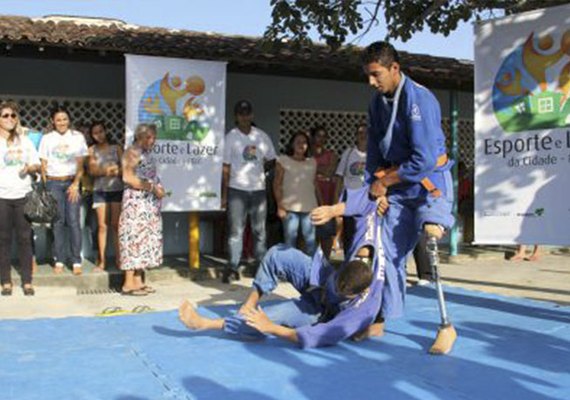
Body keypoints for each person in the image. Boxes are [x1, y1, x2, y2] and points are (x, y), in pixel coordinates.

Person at [179, 185, 385, 348]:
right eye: (338, 284)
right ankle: (250, 301)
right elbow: (367, 199)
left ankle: (207, 324)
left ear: (361, 292)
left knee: (266, 319)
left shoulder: (361, 309)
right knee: (279, 253)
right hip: (324, 277)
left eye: (342, 291)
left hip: (326, 311)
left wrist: (272, 328)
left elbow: (320, 338)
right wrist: (332, 210)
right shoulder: (367, 235)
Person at [360, 41, 456, 354]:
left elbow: (424, 159)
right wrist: (376, 185)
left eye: (376, 75)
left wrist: (387, 180)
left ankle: (446, 325)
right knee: (386, 252)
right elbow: (374, 149)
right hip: (398, 187)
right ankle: (383, 313)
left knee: (430, 236)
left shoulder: (419, 99)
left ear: (394, 69)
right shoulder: (377, 103)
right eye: (368, 76)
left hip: (431, 183)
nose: (371, 82)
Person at [221, 100, 276, 283]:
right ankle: (232, 267)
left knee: (259, 230)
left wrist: (261, 171)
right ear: (236, 116)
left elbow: (272, 159)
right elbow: (226, 168)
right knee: (236, 230)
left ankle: (260, 266)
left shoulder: (261, 136)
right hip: (237, 189)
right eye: (241, 113)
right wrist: (224, 194)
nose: (244, 116)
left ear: (252, 115)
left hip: (258, 190)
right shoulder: (231, 137)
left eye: (247, 113)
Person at [39, 106, 88, 275]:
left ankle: (75, 260)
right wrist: (46, 187)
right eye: (58, 119)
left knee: (73, 221)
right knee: (58, 222)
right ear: (53, 121)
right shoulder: (47, 138)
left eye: (65, 119)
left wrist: (75, 184)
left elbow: (81, 164)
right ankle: (59, 259)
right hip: (53, 183)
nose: (62, 123)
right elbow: (43, 166)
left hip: (71, 183)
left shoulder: (77, 137)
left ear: (69, 120)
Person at [118, 123, 164, 296]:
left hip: (148, 203)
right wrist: (152, 188)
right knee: (133, 238)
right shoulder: (132, 152)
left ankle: (138, 280)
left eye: (153, 137)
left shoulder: (147, 153)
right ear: (139, 137)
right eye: (148, 137)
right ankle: (128, 283)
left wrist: (158, 188)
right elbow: (127, 177)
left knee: (145, 239)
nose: (152, 141)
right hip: (135, 201)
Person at [0, 101, 40, 295]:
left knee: (25, 239)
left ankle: (27, 281)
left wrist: (30, 168)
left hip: (23, 195)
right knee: (3, 240)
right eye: (5, 116)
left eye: (13, 116)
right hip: (2, 196)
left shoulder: (25, 142)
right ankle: (6, 281)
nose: (10, 119)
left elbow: (36, 164)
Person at [273, 131, 320, 256]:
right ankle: (289, 272)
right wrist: (280, 206)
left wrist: (321, 204)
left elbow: (314, 184)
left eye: (304, 142)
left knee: (310, 242)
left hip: (309, 208)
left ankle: (311, 272)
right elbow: (277, 184)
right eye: (298, 142)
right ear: (292, 144)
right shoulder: (283, 160)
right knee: (289, 242)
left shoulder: (312, 162)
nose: (301, 145)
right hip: (289, 209)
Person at [88, 121, 123, 272]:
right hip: (100, 190)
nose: (99, 135)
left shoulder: (117, 148)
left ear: (105, 131)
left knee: (116, 225)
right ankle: (101, 260)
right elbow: (93, 171)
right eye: (95, 133)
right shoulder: (91, 150)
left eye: (101, 131)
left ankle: (119, 258)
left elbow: (124, 170)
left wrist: (105, 170)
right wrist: (112, 169)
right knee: (102, 226)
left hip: (116, 189)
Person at [334, 123, 367, 253]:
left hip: (366, 200)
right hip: (349, 199)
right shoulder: (348, 153)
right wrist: (337, 199)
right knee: (349, 232)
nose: (363, 136)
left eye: (366, 133)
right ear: (356, 136)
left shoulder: (374, 154)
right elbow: (339, 177)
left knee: (364, 232)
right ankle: (348, 260)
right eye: (360, 133)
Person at [310, 125, 339, 259]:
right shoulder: (308, 155)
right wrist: (320, 170)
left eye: (323, 136)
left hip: (328, 195)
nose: (321, 138)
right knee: (311, 230)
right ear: (313, 137)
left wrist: (316, 170)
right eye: (318, 135)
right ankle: (313, 260)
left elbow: (330, 171)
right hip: (311, 195)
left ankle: (325, 261)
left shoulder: (331, 155)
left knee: (327, 231)